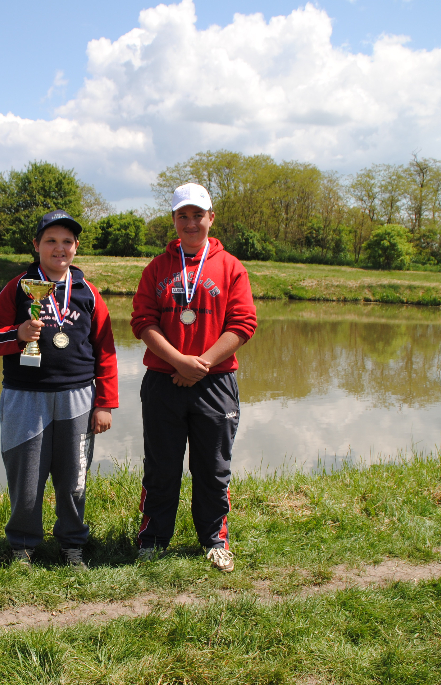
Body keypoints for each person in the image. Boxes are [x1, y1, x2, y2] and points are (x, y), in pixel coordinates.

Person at [130, 183, 257, 572]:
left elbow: (243, 324)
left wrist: (200, 364)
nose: (190, 223)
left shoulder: (231, 267)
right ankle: (153, 539)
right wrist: (178, 362)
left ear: (211, 218)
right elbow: (143, 321)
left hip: (215, 382)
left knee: (213, 468)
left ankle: (215, 540)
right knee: (161, 466)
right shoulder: (156, 268)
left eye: (197, 215)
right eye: (182, 216)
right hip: (164, 380)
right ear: (173, 220)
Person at [0, 210, 119, 569]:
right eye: (51, 241)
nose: (60, 248)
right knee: (26, 478)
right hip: (25, 397)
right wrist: (17, 335)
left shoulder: (88, 292)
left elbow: (105, 349)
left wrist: (105, 403)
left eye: (67, 242)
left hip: (78, 398)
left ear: (76, 247)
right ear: (36, 245)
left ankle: (72, 543)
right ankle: (23, 546)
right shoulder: (17, 287)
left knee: (74, 477)